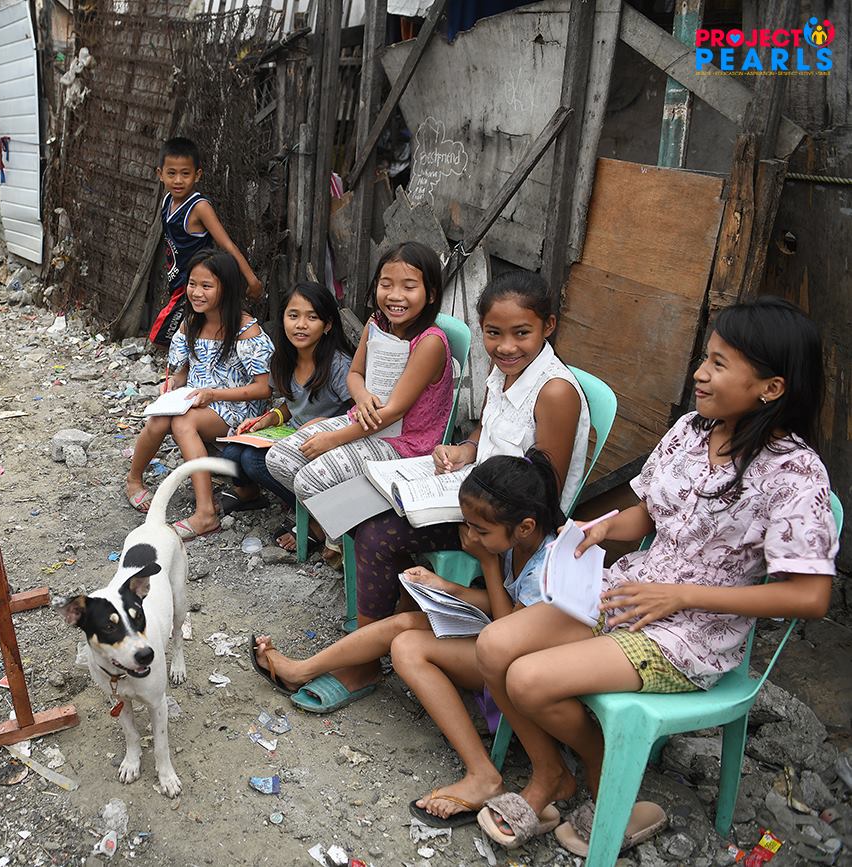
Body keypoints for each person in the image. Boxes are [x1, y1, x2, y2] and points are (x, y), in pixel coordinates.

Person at [474, 297, 838, 854]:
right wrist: (600, 528)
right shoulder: (691, 431)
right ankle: (557, 774)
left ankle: (607, 783)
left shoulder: (795, 473)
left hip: (691, 634)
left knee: (528, 679)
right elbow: (648, 513)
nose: (700, 373)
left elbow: (810, 596)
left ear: (771, 387)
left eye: (720, 364)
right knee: (495, 645)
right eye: (706, 358)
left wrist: (680, 596)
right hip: (628, 593)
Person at [281, 271, 590, 712]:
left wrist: (473, 507)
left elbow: (544, 490)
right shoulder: (504, 373)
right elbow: (487, 430)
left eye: (521, 333)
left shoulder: (554, 391)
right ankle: (392, 618)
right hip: (473, 492)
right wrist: (464, 450)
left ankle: (365, 663)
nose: (506, 346)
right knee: (359, 506)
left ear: (549, 326)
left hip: (506, 524)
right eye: (493, 333)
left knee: (378, 535)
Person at [255, 450, 563, 823]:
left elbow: (506, 631)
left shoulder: (546, 567)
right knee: (403, 625)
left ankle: (484, 775)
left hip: (510, 668)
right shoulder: (520, 544)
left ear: (525, 526)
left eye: (481, 532)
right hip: (498, 640)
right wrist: (446, 587)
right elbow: (504, 604)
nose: (471, 537)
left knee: (406, 648)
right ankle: (301, 670)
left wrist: (487, 563)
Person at [265, 241, 454, 552]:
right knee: (279, 459)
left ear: (431, 294)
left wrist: (334, 439)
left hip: (404, 442)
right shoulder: (377, 323)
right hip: (364, 421)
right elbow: (354, 374)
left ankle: (343, 539)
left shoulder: (430, 343)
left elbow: (393, 412)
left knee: (309, 480)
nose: (395, 295)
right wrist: (363, 396)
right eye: (386, 284)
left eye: (408, 287)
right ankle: (333, 524)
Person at [126, 250, 274, 538]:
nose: (196, 292)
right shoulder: (191, 324)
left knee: (183, 422)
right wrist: (172, 384)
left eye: (207, 286)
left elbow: (263, 388)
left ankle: (205, 513)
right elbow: (182, 372)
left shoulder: (246, 330)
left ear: (226, 288)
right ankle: (133, 479)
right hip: (197, 400)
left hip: (237, 408)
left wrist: (215, 394)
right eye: (192, 284)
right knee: (160, 419)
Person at [218, 281, 353, 516]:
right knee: (232, 452)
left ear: (328, 324)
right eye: (293, 316)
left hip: (326, 442)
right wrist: (269, 419)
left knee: (253, 460)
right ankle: (252, 496)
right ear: (283, 319)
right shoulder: (283, 359)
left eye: (312, 317)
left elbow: (357, 413)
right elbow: (292, 404)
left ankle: (315, 516)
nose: (301, 325)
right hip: (291, 433)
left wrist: (325, 425)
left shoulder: (339, 366)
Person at [147, 137, 262, 347]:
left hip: (196, 281)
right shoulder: (167, 202)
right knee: (191, 329)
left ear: (197, 175)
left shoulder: (199, 207)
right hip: (180, 281)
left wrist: (252, 280)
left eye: (185, 174)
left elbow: (226, 244)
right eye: (171, 173)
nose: (178, 180)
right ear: (160, 174)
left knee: (160, 336)